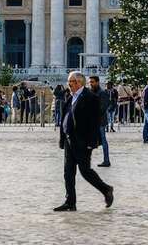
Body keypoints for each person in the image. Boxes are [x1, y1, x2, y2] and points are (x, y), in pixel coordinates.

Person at [54, 71, 114, 212]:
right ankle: (70, 202)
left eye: (71, 82)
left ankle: (106, 189)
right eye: (69, 82)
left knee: (85, 171)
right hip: (70, 140)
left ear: (79, 82)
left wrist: (91, 142)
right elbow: (66, 117)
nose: (69, 85)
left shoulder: (90, 97)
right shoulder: (71, 97)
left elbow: (95, 122)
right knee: (68, 172)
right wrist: (63, 139)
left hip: (82, 141)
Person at [89, 76, 110, 167]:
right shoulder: (91, 92)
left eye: (92, 82)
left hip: (100, 121)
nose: (91, 84)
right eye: (90, 82)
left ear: (97, 82)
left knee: (103, 140)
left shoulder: (102, 93)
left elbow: (103, 107)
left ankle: (106, 160)